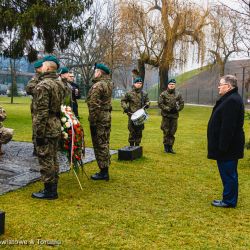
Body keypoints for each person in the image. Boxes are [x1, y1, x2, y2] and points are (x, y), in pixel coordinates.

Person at [208, 75, 245, 208]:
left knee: (229, 174)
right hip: (227, 146)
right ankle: (228, 198)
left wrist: (222, 147)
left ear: (228, 86)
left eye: (221, 84)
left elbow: (228, 127)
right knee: (229, 173)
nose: (218, 86)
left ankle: (229, 201)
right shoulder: (230, 99)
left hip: (228, 147)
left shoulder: (232, 101)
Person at [31, 55, 65, 200]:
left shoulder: (43, 85)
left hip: (46, 127)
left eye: (43, 65)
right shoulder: (59, 83)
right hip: (56, 124)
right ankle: (53, 187)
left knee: (45, 158)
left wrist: (38, 134)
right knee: (53, 158)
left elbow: (41, 113)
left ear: (48, 67)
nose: (42, 67)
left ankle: (49, 190)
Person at [87, 63, 113, 181]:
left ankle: (103, 171)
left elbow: (93, 105)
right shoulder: (109, 83)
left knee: (100, 143)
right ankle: (105, 169)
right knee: (105, 142)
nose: (94, 73)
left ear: (99, 72)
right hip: (106, 116)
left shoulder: (98, 85)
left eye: (95, 71)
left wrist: (92, 122)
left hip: (99, 118)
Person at [121, 77, 150, 146]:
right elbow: (123, 101)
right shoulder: (129, 93)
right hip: (131, 115)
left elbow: (147, 102)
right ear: (134, 84)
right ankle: (131, 146)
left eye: (140, 83)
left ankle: (137, 147)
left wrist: (148, 104)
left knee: (139, 132)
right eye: (137, 83)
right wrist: (125, 107)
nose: (139, 84)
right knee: (132, 131)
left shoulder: (144, 93)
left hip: (140, 116)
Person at [158, 79, 184, 153]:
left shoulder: (178, 94)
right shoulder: (163, 94)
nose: (171, 85)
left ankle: (171, 148)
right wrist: (167, 108)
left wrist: (177, 109)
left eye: (173, 84)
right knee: (166, 131)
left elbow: (182, 103)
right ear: (168, 85)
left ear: (175, 85)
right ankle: (166, 148)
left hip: (174, 116)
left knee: (172, 132)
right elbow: (160, 103)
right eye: (170, 84)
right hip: (166, 116)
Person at [25, 59, 43, 155]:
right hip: (37, 107)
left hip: (44, 106)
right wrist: (41, 90)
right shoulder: (35, 78)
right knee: (37, 127)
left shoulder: (45, 77)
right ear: (38, 69)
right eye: (41, 67)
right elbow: (29, 88)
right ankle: (36, 148)